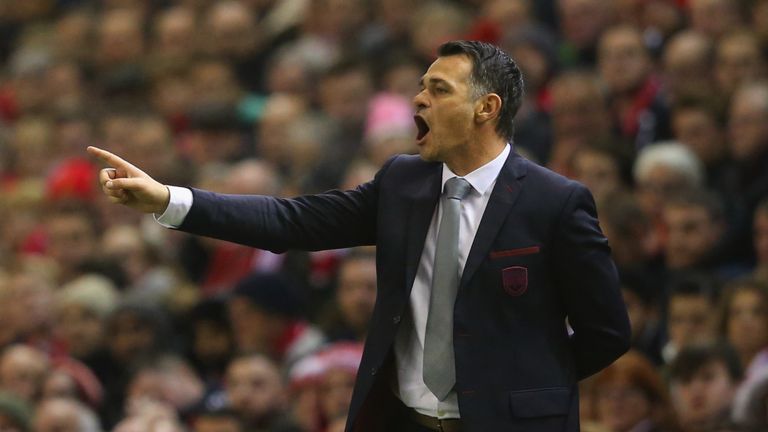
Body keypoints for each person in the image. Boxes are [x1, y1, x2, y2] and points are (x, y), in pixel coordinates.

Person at [89, 40, 630, 432]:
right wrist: (168, 199)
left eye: (438, 90)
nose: (418, 100)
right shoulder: (402, 182)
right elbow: (291, 222)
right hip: (402, 421)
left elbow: (606, 331)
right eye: (420, 87)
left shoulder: (554, 202)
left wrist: (522, 387)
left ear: (486, 109)